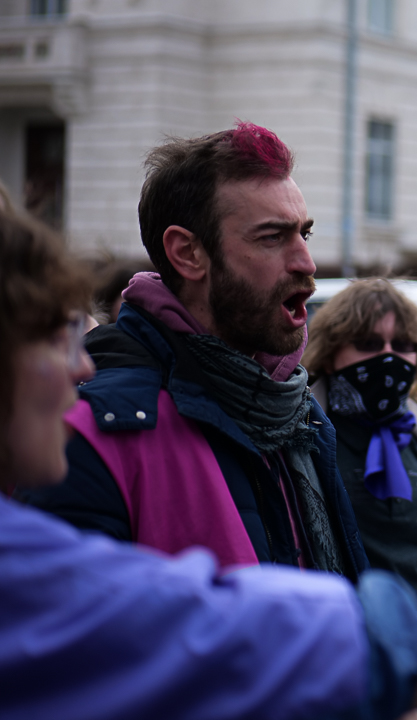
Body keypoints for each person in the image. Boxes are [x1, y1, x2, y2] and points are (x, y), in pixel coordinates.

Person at [0, 198, 417, 720]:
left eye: (402, 346)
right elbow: (223, 624)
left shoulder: (316, 424)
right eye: (54, 336)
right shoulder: (119, 439)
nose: (80, 366)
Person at [21, 123, 368, 580]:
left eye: (305, 234)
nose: (306, 262)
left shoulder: (295, 408)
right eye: (271, 237)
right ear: (187, 253)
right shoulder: (97, 433)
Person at [303, 279, 417, 609]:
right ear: (330, 355)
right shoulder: (301, 437)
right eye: (369, 344)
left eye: (402, 344)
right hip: (343, 629)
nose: (388, 356)